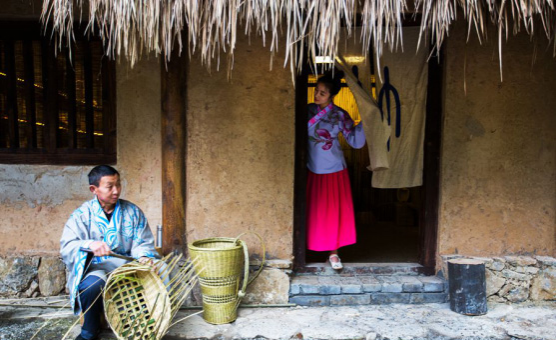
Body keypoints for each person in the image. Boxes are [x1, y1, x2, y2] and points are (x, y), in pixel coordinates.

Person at [60, 165, 159, 340]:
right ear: (94, 189)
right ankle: (89, 331)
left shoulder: (133, 212)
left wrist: (143, 256)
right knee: (91, 285)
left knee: (158, 271)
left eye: (118, 185)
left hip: (125, 266)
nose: (116, 191)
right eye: (110, 186)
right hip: (95, 268)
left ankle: (140, 326)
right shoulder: (81, 215)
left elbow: (142, 241)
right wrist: (89, 245)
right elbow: (67, 246)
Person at [307, 71, 366, 270]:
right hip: (309, 166)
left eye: (323, 93)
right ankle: (306, 248)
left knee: (332, 213)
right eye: (317, 91)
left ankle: (333, 254)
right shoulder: (306, 110)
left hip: (333, 168)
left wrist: (367, 120)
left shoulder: (339, 115)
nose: (317, 96)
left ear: (332, 96)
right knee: (312, 210)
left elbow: (355, 141)